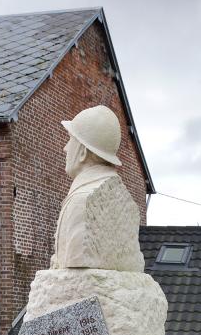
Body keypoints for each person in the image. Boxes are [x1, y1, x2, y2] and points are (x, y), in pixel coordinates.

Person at [50, 105, 144, 271]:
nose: (65, 148)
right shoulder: (123, 200)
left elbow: (75, 258)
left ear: (83, 151)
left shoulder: (82, 201)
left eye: (70, 140)